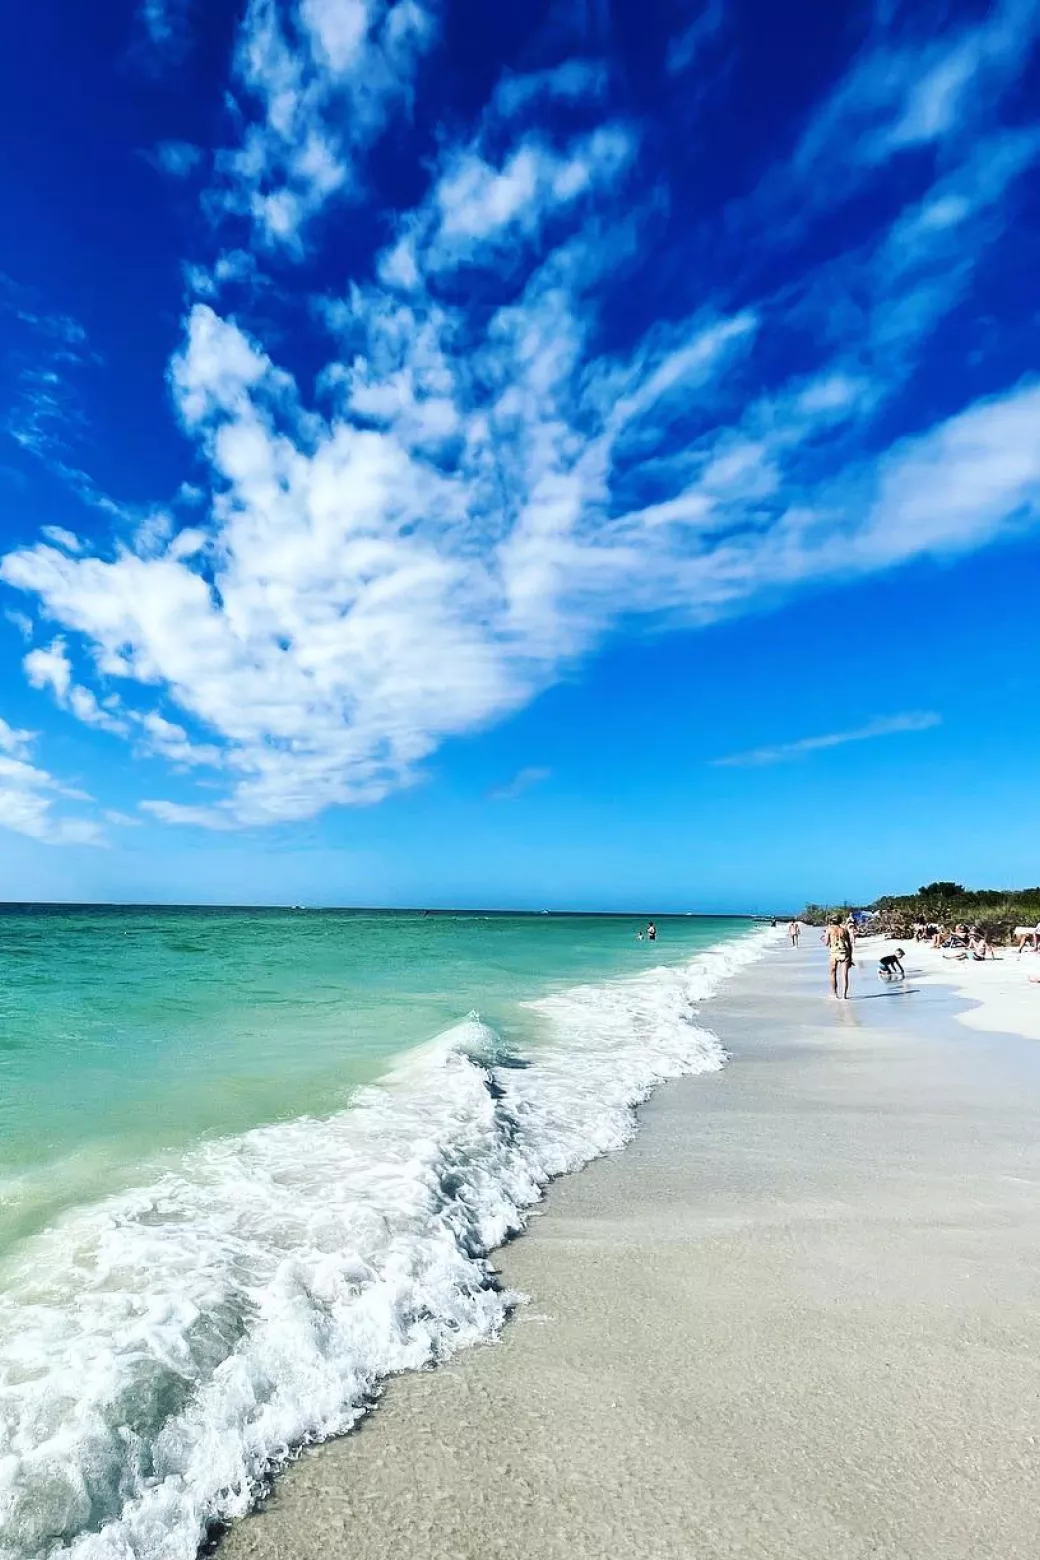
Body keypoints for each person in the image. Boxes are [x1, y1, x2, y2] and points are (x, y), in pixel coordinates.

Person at [825, 912, 853, 999]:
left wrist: (824, 938)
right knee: (844, 975)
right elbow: (849, 944)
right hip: (844, 952)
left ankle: (835, 994)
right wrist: (851, 957)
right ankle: (844, 996)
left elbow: (826, 943)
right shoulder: (844, 930)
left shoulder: (829, 930)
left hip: (834, 953)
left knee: (833, 973)